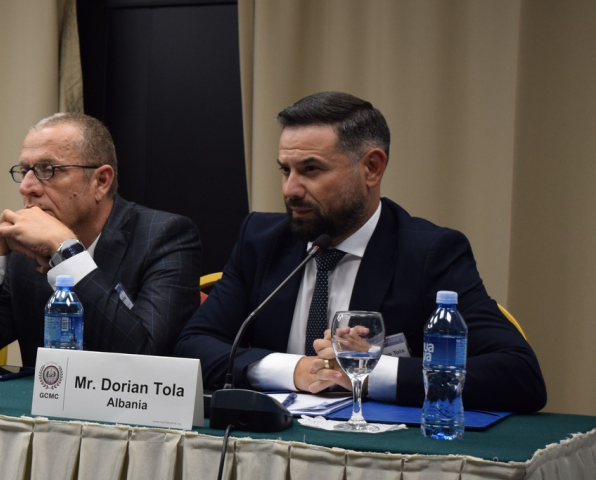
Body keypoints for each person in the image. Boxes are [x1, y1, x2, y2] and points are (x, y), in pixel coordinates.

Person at [174, 91, 545, 412]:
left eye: (311, 170)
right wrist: (294, 370)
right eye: (285, 170)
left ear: (372, 167)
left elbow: (519, 375)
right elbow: (193, 345)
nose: (290, 189)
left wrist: (369, 372)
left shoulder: (429, 252)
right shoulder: (262, 239)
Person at [0, 112, 202, 366]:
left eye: (48, 169)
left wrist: (68, 253)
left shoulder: (165, 237)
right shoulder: (26, 255)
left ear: (101, 181)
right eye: (24, 170)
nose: (26, 186)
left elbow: (144, 359)